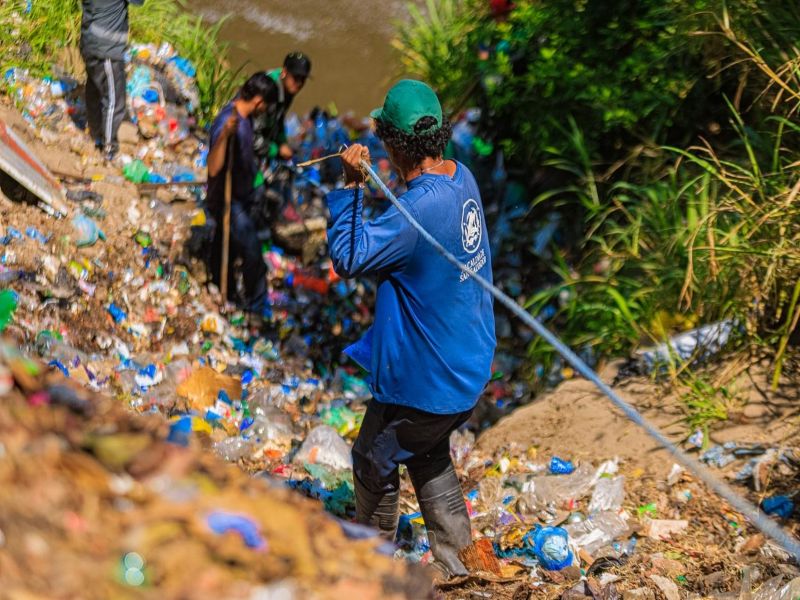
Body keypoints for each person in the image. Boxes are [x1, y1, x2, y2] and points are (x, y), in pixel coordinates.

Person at [324, 80, 496, 577]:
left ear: (395, 145)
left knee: (372, 457)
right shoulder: (462, 178)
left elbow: (349, 256)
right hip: (467, 368)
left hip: (428, 382)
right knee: (424, 451)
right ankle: (460, 559)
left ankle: (368, 566)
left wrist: (352, 185)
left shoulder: (417, 211)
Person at [206, 73, 279, 318]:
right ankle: (258, 308)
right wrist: (225, 136)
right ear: (259, 101)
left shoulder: (244, 120)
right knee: (252, 253)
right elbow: (214, 167)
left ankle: (221, 285)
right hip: (229, 202)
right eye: (266, 105)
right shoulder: (229, 123)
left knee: (226, 248)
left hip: (242, 196)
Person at [80, 0, 143, 160]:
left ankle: (96, 135)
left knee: (94, 89)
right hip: (107, 49)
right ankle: (109, 148)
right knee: (115, 100)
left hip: (89, 42)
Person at [252, 52, 312, 163]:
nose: (299, 83)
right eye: (296, 77)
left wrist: (282, 142)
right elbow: (250, 135)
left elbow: (279, 119)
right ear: (284, 72)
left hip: (261, 137)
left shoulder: (288, 89)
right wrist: (277, 150)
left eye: (303, 79)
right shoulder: (268, 90)